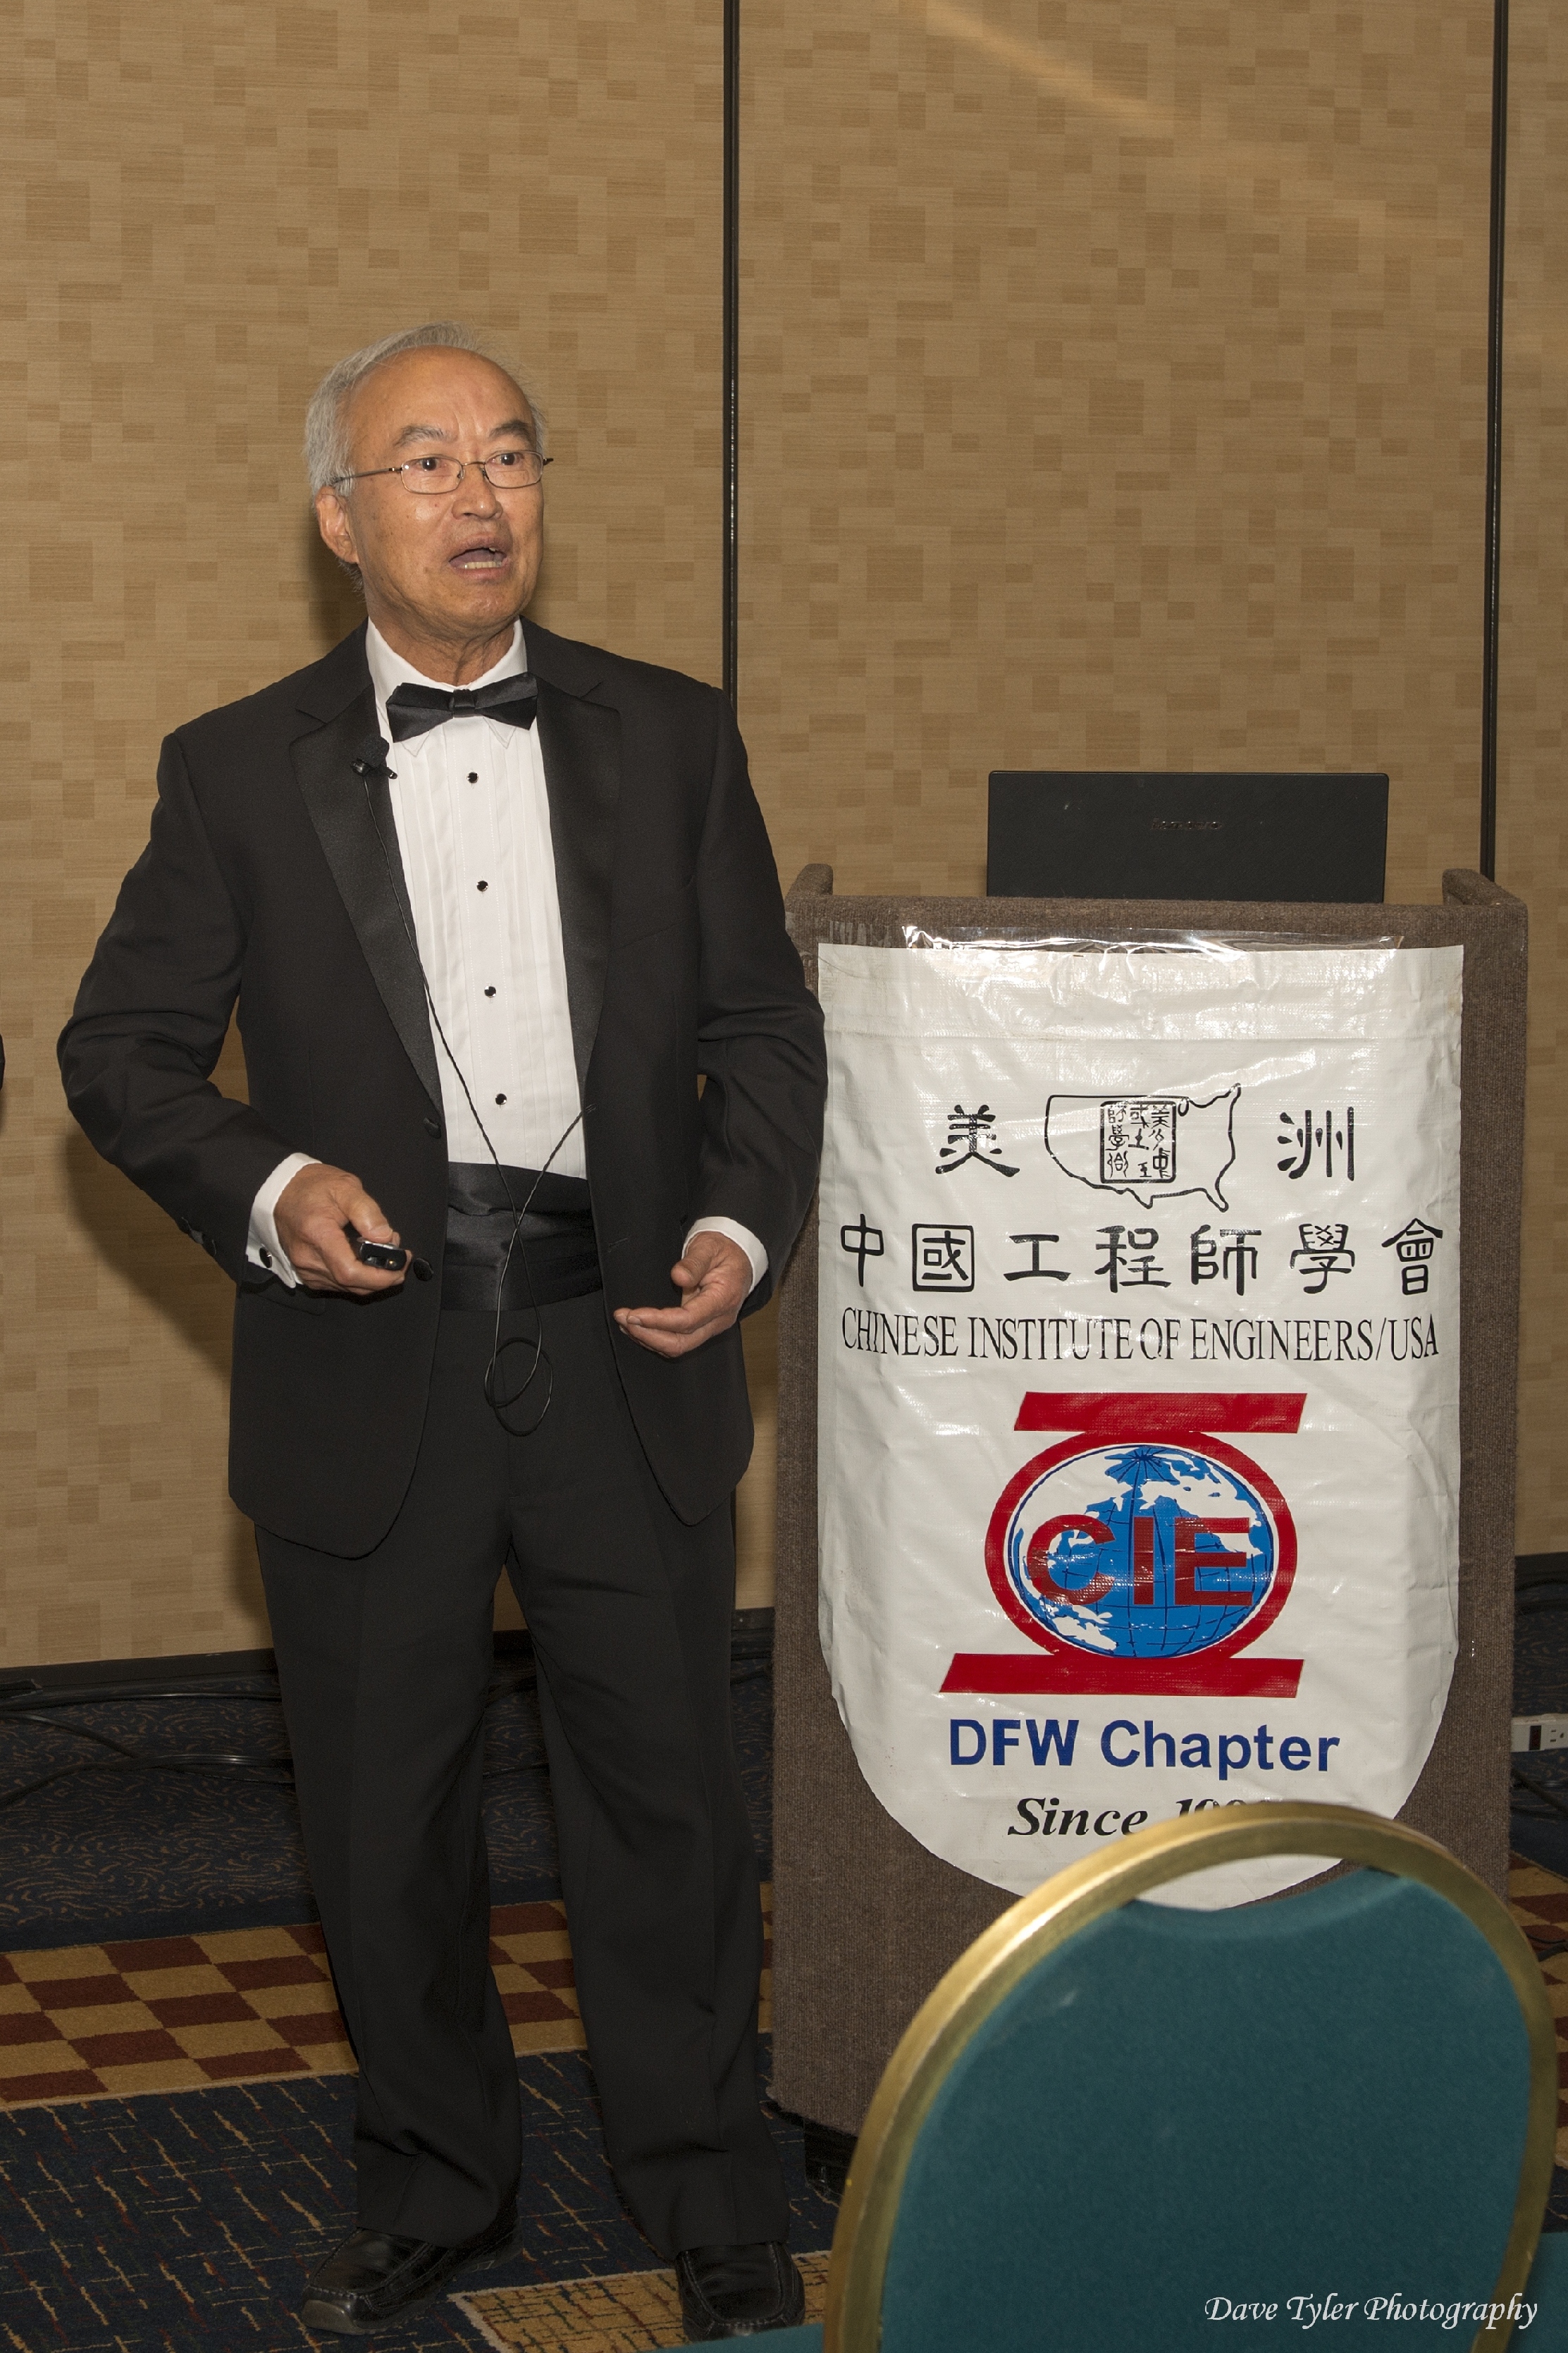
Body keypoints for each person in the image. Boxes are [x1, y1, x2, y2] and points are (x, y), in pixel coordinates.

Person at [58, 323, 826, 2341]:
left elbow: (761, 1024)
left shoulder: (676, 736)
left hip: (625, 1340)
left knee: (667, 1799)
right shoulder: (235, 766)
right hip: (367, 1351)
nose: (479, 495)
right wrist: (266, 1186)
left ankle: (706, 2180)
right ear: (341, 518)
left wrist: (741, 1222)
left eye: (510, 454)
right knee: (381, 1809)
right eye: (426, 460)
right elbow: (119, 1051)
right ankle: (433, 2176)